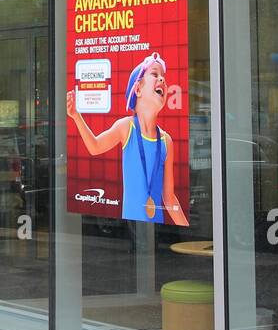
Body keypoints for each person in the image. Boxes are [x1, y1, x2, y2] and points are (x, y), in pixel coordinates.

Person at [66, 52, 189, 225]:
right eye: (155, 74)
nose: (162, 79)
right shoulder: (126, 127)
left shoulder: (166, 141)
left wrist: (188, 229)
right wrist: (76, 116)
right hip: (130, 227)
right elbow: (94, 147)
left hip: (158, 227)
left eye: (163, 77)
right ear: (137, 89)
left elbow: (169, 199)